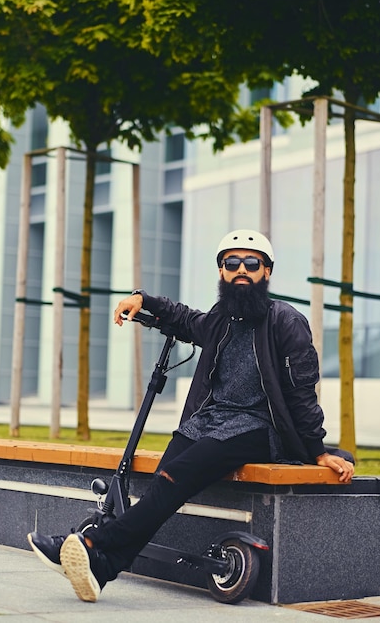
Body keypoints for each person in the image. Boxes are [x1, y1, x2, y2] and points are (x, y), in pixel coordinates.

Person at [28, 228, 354, 603]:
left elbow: (302, 392)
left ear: (267, 272)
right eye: (232, 263)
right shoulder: (221, 318)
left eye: (252, 263)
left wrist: (316, 449)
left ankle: (89, 541)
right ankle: (102, 569)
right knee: (161, 488)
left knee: (173, 478)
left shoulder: (286, 321)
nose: (241, 270)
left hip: (261, 428)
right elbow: (185, 319)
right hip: (210, 422)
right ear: (221, 272)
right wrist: (143, 298)